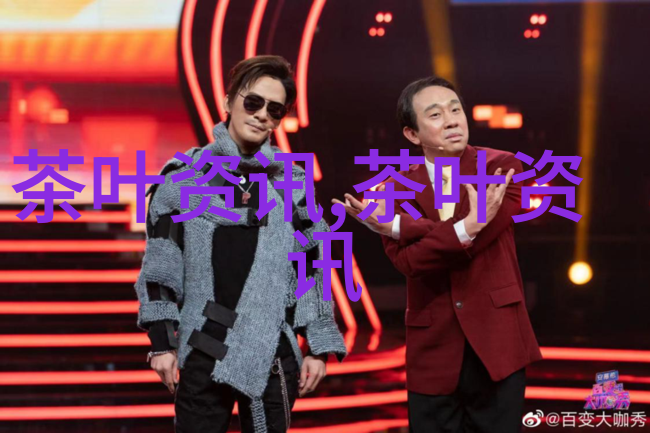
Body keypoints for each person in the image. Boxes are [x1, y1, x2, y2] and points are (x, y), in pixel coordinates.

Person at [135, 55, 347, 433]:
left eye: (275, 109)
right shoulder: (182, 179)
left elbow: (311, 265)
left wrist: (318, 348)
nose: (262, 114)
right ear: (228, 101)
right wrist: (162, 344)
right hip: (204, 344)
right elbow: (160, 266)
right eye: (253, 102)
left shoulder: (292, 183)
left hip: (273, 350)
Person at [334, 76, 542, 432]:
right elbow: (411, 262)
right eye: (435, 115)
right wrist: (469, 225)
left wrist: (397, 227)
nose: (451, 121)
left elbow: (481, 237)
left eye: (455, 110)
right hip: (432, 351)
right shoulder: (393, 188)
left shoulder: (501, 167)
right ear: (412, 134)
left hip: (498, 344)